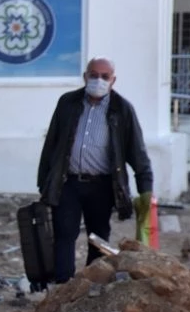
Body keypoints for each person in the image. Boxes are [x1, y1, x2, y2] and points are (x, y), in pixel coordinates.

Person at [37, 56, 153, 283]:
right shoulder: (67, 103)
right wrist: (44, 182)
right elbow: (52, 143)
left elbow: (136, 151)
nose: (98, 80)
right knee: (64, 235)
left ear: (113, 80)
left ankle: (91, 287)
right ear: (85, 76)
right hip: (67, 182)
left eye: (104, 76)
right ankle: (63, 289)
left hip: (102, 185)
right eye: (94, 75)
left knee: (98, 238)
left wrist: (145, 188)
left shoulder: (122, 110)